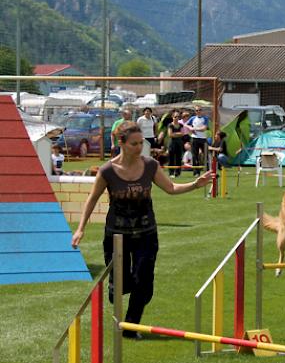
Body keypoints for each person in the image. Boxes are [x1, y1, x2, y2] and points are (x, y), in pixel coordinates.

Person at [71, 121, 213, 339]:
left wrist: (195, 184)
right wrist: (80, 229)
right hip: (116, 235)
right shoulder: (108, 171)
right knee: (119, 286)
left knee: (144, 285)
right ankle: (114, 287)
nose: (139, 148)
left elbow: (171, 188)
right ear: (121, 143)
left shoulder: (150, 166)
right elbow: (92, 199)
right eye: (134, 144)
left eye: (141, 143)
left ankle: (130, 327)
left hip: (146, 233)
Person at [186, 107, 210, 176]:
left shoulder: (205, 118)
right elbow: (186, 124)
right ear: (195, 112)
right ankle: (196, 172)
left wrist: (194, 128)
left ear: (202, 111)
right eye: (197, 110)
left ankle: (207, 171)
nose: (198, 111)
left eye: (200, 110)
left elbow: (204, 129)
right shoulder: (193, 118)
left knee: (205, 155)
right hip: (194, 138)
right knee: (194, 156)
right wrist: (190, 128)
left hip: (203, 138)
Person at [167, 112, 184, 178]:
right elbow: (170, 134)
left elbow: (182, 133)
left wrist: (175, 134)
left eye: (178, 117)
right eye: (175, 117)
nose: (176, 118)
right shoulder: (170, 125)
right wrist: (178, 134)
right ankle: (171, 173)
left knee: (178, 159)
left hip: (179, 143)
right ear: (172, 117)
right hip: (172, 144)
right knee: (171, 159)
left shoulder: (181, 125)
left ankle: (178, 173)